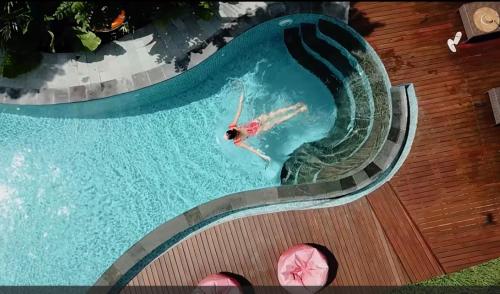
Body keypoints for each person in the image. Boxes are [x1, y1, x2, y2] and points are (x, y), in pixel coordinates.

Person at [224, 82, 308, 163]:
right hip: (256, 122)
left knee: (279, 121)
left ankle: (299, 110)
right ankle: (295, 106)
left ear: (232, 138)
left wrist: (264, 156)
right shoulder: (232, 126)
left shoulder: (237, 142)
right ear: (230, 131)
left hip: (258, 130)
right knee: (274, 113)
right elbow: (239, 111)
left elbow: (252, 149)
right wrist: (241, 97)